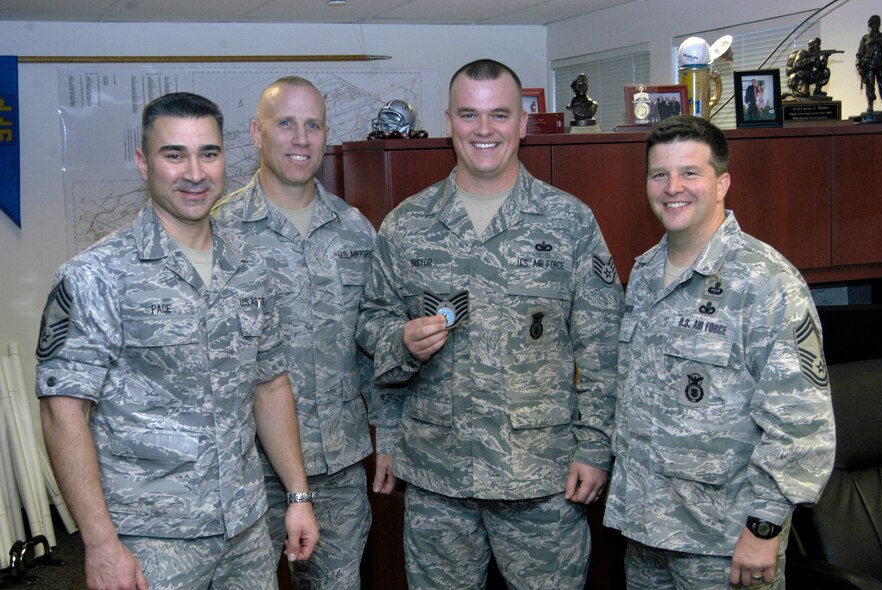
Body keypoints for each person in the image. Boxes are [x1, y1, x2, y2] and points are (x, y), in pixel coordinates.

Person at [356, 59, 624, 589]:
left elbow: (603, 346)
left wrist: (595, 448)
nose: (484, 130)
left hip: (543, 479)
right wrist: (400, 341)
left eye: (499, 115)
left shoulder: (569, 221)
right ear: (449, 122)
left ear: (522, 122)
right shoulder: (407, 224)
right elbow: (372, 323)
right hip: (437, 479)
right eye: (469, 115)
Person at [36, 92, 319, 590]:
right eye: (175, 154)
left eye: (208, 153)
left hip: (246, 532)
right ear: (144, 163)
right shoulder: (97, 276)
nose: (195, 172)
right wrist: (101, 544)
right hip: (149, 543)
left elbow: (270, 386)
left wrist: (298, 496)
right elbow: (63, 413)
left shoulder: (251, 268)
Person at [604, 115, 836, 589]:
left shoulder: (766, 281)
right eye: (659, 174)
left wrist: (764, 529)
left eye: (690, 172)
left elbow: (802, 424)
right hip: (646, 535)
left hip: (725, 546)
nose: (673, 187)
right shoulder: (645, 274)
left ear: (722, 182)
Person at [213, 76, 375, 589]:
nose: (300, 138)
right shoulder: (218, 230)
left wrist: (387, 436)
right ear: (257, 134)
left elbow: (370, 345)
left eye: (312, 125)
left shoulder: (355, 231)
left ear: (326, 135)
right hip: (244, 472)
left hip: (337, 467)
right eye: (286, 124)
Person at [856, 14, 882, 113]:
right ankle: (870, 104)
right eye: (873, 23)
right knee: (869, 85)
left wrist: (877, 41)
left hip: (881, 64)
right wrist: (859, 67)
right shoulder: (865, 38)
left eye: (877, 23)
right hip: (869, 65)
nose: (875, 25)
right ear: (870, 25)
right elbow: (859, 54)